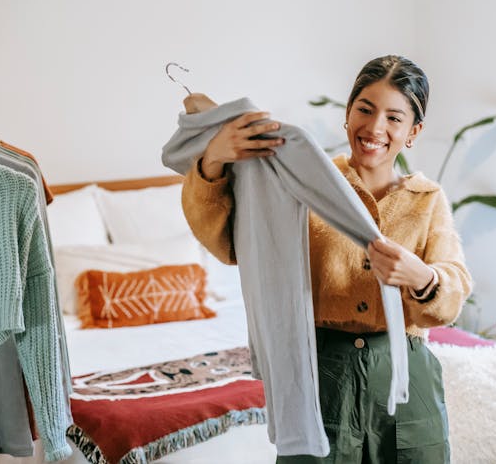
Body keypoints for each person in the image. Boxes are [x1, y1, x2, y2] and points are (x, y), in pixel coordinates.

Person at [181, 55, 472, 463]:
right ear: (347, 115)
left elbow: (453, 288)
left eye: (393, 118)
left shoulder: (428, 200)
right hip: (320, 375)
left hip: (408, 379)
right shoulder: (304, 185)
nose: (374, 128)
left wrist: (422, 277)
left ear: (413, 132)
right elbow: (234, 244)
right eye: (365, 110)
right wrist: (214, 160)